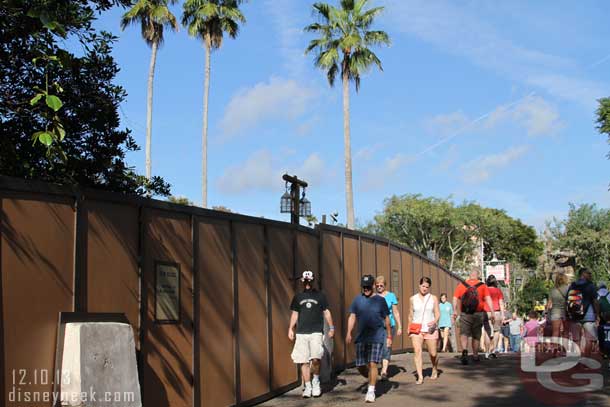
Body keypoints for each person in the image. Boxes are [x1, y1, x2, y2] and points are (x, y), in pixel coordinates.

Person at [288, 270, 335, 398]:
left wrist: (331, 328)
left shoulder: (320, 296)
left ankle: (316, 381)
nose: (308, 283)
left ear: (313, 281)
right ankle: (308, 386)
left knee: (315, 358)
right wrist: (290, 328)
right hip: (302, 333)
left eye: (310, 281)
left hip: (316, 332)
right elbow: (295, 314)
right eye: (306, 281)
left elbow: (326, 312)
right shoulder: (298, 297)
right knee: (303, 361)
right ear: (303, 282)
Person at [346, 274, 392, 403]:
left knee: (372, 363)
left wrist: (389, 335)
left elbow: (387, 319)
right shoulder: (357, 300)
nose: (366, 289)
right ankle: (373, 378)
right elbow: (352, 316)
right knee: (360, 365)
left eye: (368, 287)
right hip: (361, 337)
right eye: (364, 287)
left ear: (373, 286)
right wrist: (349, 332)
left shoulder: (380, 300)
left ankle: (371, 390)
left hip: (377, 336)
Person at [452, 268, 494, 364]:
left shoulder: (461, 285)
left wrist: (454, 310)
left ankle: (464, 351)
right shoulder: (483, 286)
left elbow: (454, 299)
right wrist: (492, 312)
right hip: (478, 314)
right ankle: (475, 355)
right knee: (476, 334)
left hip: (465, 314)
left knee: (464, 333)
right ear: (478, 275)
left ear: (469, 275)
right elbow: (488, 299)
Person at [409, 277, 440, 384]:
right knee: (417, 351)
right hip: (416, 329)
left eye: (427, 287)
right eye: (423, 286)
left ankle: (434, 368)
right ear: (419, 285)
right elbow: (410, 315)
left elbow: (437, 313)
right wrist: (409, 328)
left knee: (433, 353)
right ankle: (420, 376)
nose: (425, 289)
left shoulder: (433, 298)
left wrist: (435, 321)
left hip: (430, 329)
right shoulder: (413, 299)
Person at [566, 268, 599, 357]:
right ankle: (586, 361)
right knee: (589, 339)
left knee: (576, 340)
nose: (590, 275)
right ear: (583, 274)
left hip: (575, 316)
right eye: (589, 273)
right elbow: (595, 301)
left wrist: (568, 314)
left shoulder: (572, 285)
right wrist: (597, 314)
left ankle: (578, 359)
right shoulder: (591, 286)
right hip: (589, 316)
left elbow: (567, 300)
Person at [374, 275, 402, 381]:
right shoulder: (373, 297)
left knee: (386, 347)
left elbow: (395, 312)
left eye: (381, 285)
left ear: (385, 285)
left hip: (389, 326)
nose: (379, 287)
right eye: (377, 286)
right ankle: (376, 368)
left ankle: (384, 371)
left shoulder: (391, 296)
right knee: (377, 347)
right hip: (376, 326)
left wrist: (400, 326)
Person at [482, 275, 506, 359]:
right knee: (496, 331)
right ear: (495, 282)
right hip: (496, 312)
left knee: (487, 331)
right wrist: (503, 315)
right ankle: (494, 350)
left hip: (486, 312)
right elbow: (501, 303)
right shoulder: (498, 291)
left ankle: (487, 352)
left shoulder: (484, 290)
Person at [546, 272, 570, 353]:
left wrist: (547, 312)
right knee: (566, 331)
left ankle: (555, 348)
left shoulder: (553, 290)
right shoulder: (568, 289)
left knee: (555, 331)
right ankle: (565, 348)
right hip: (566, 311)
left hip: (555, 312)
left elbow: (549, 304)